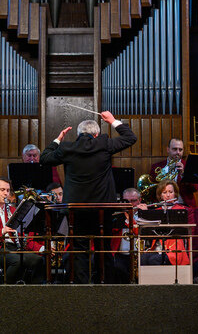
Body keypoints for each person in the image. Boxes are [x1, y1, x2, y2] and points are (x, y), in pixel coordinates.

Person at [39, 110, 137, 283]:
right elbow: (130, 138)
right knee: (103, 248)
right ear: (96, 134)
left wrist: (58, 139)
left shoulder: (67, 148)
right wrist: (112, 120)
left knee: (79, 250)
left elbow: (44, 158)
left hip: (76, 211)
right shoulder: (105, 144)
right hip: (102, 210)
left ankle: (81, 289)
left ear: (78, 135)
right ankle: (104, 284)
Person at [0, 177, 45, 284]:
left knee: (38, 260)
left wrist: (40, 248)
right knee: (17, 261)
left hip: (12, 247)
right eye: (2, 190)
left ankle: (33, 294)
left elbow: (21, 234)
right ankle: (7, 291)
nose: (6, 194)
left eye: (8, 190)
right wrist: (2, 231)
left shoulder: (13, 210)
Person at [140, 180, 194, 266]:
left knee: (154, 260)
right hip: (157, 248)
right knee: (143, 258)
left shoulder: (181, 210)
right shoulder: (156, 211)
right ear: (160, 196)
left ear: (175, 194)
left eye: (171, 192)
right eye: (164, 192)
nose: (168, 195)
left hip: (174, 250)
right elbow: (145, 231)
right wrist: (146, 213)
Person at [149, 138, 198, 207]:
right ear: (168, 150)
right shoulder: (157, 167)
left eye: (180, 150)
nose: (178, 152)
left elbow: (195, 188)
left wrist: (183, 174)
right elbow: (152, 191)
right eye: (174, 149)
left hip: (184, 205)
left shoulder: (189, 166)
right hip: (163, 205)